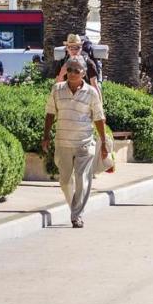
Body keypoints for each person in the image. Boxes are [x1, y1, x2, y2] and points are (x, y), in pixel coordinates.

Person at [42, 58, 109, 228]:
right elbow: (50, 113)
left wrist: (103, 142)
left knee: (82, 178)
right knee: (65, 181)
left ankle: (76, 215)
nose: (71, 73)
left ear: (84, 74)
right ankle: (75, 208)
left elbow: (99, 117)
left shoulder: (91, 92)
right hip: (62, 142)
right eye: (69, 69)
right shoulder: (57, 89)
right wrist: (46, 136)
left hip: (84, 142)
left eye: (76, 71)